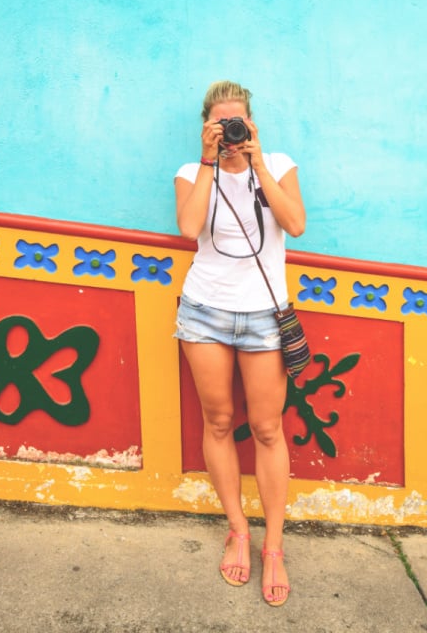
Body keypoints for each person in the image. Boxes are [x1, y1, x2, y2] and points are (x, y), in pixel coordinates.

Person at [173, 80, 306, 607]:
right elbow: (188, 228)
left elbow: (294, 224)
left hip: (263, 317)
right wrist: (210, 163)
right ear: (208, 127)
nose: (231, 133)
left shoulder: (276, 163)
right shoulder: (191, 173)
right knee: (220, 422)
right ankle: (237, 530)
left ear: (251, 123)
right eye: (222, 125)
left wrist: (258, 164)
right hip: (204, 310)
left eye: (239, 124)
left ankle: (273, 546)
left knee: (269, 428)